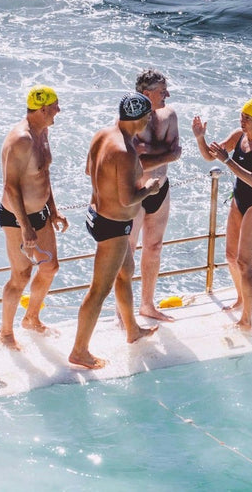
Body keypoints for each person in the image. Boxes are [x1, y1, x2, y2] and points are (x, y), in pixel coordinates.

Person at [69, 94, 160, 369]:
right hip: (113, 226)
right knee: (99, 290)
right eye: (149, 116)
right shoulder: (125, 150)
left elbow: (89, 170)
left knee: (125, 272)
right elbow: (127, 199)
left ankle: (132, 329)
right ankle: (79, 351)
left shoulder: (102, 135)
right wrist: (150, 188)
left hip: (96, 213)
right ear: (142, 118)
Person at [193, 97, 252, 331]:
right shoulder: (237, 136)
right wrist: (200, 137)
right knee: (230, 256)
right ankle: (240, 298)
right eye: (241, 116)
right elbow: (211, 156)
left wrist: (227, 160)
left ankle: (247, 319)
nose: (242, 121)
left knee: (245, 263)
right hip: (239, 200)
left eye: (247, 118)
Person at [0, 86, 69, 350]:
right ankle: (5, 333)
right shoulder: (21, 140)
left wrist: (54, 208)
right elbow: (10, 187)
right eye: (56, 106)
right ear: (43, 109)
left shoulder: (43, 132)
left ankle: (31, 317)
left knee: (50, 268)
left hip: (40, 213)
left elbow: (43, 174)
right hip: (17, 218)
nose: (59, 111)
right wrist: (26, 227)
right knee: (21, 275)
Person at [128, 69, 182, 322]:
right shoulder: (130, 118)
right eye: (162, 92)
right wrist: (160, 152)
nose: (167, 95)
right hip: (135, 191)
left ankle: (147, 305)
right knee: (127, 251)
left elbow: (176, 151)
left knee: (154, 247)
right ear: (146, 94)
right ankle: (123, 311)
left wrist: (148, 151)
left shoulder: (169, 115)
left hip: (161, 188)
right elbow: (133, 161)